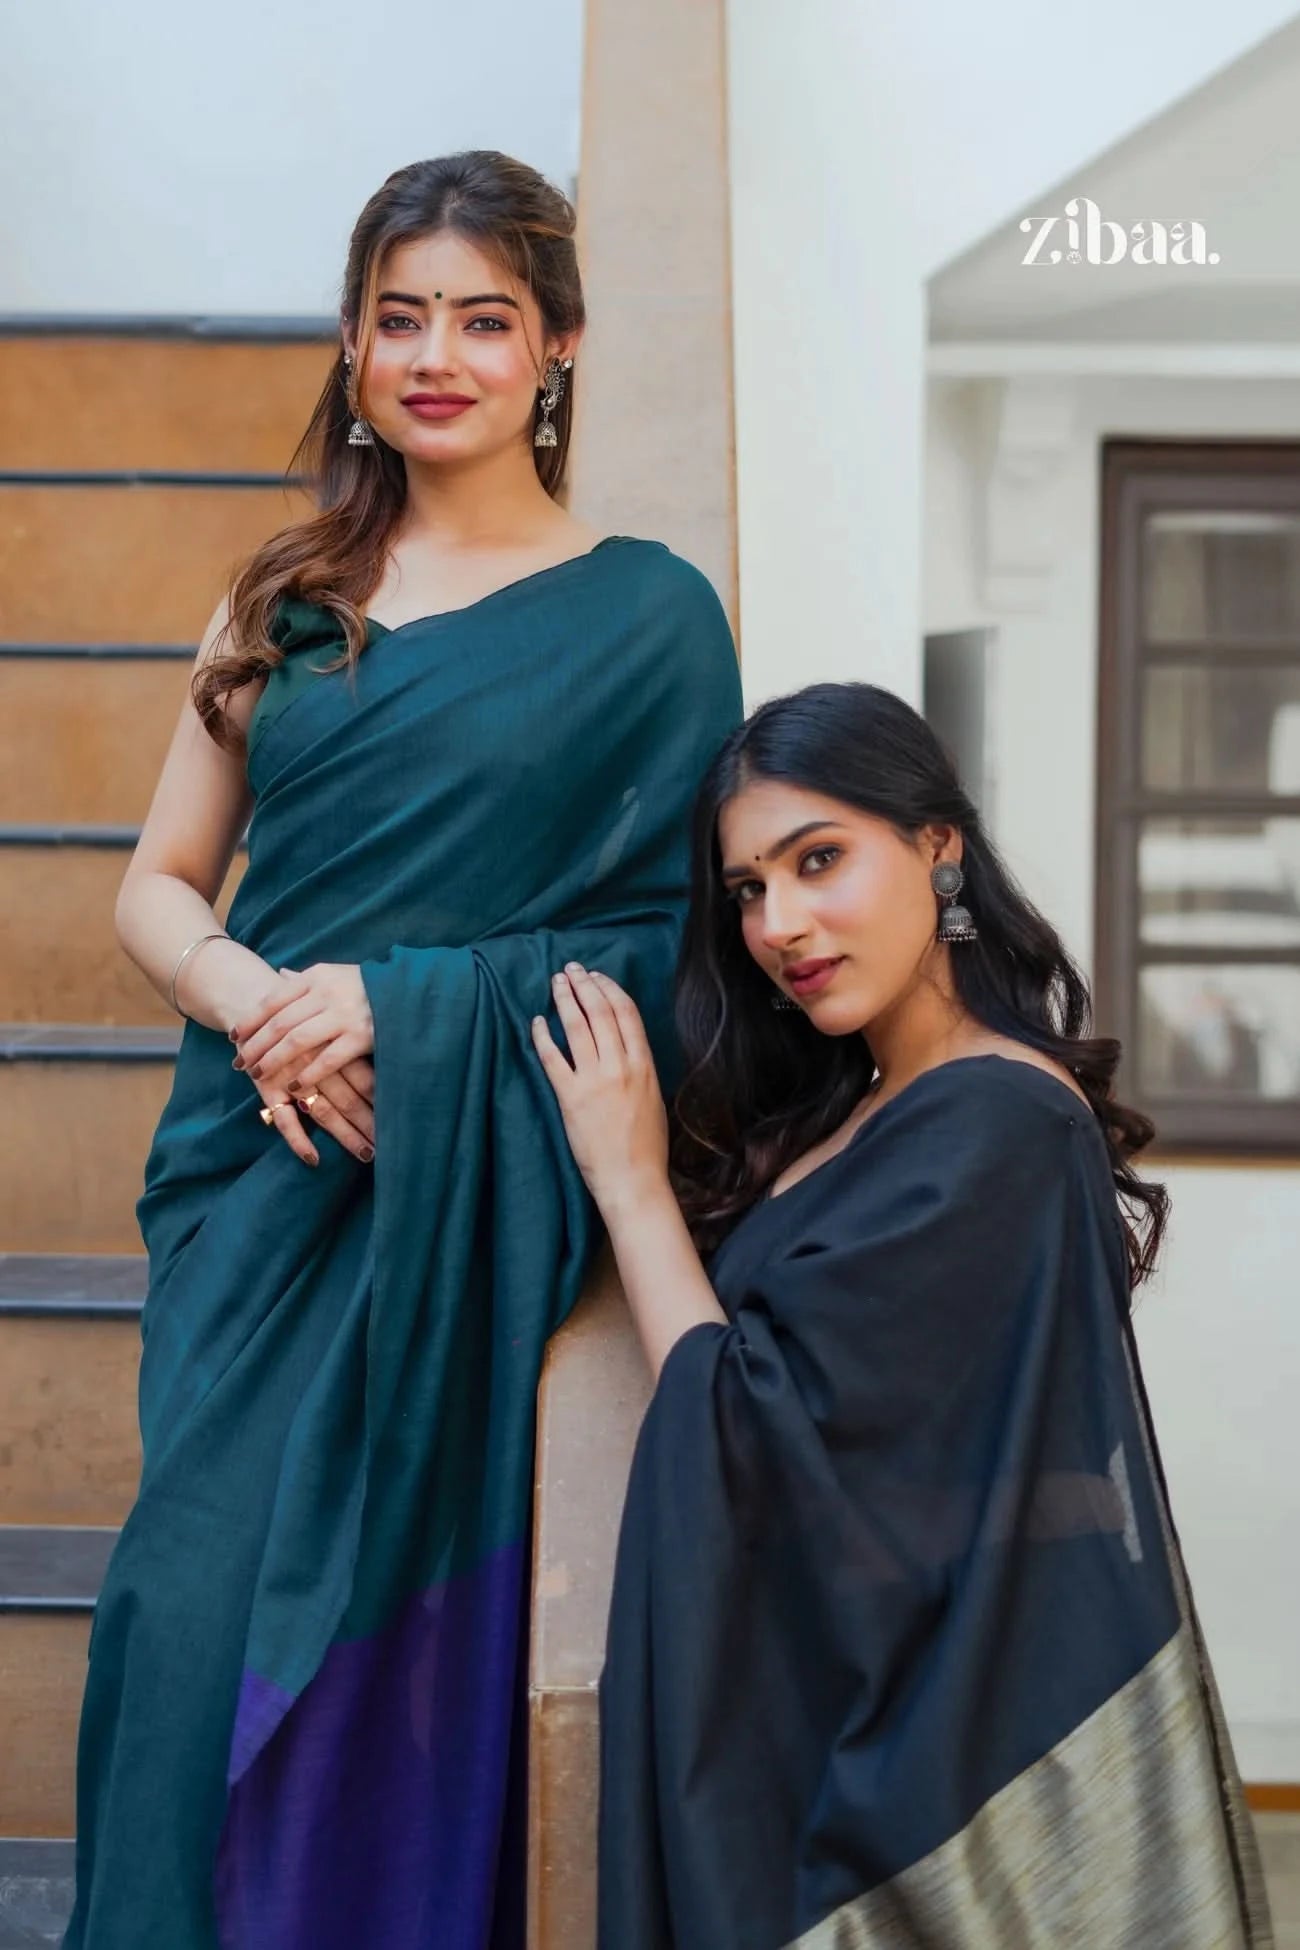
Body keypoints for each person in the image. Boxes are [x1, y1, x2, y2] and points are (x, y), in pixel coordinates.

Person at [66, 150, 741, 1950]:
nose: (436, 354)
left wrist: (409, 1003)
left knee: (378, 1660)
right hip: (256, 1185)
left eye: (484, 319)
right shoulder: (287, 595)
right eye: (399, 316)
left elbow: (672, 947)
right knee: (182, 1617)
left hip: (445, 1185)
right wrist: (261, 1005)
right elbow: (158, 887)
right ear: (355, 344)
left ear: (559, 350)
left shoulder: (649, 617)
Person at [534, 682, 1272, 1949]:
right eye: (750, 891)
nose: (781, 923)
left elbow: (764, 1428)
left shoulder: (999, 1122)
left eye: (818, 860)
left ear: (938, 848)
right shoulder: (862, 1109)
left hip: (954, 1771)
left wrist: (630, 1184)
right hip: (878, 1725)